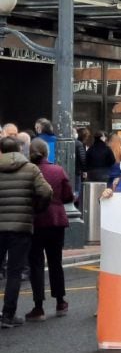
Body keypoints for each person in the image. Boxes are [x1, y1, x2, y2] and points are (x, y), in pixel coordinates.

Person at [0, 136, 53, 327]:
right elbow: (46, 192)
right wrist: (36, 208)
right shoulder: (30, 169)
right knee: (14, 272)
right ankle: (8, 315)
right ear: (20, 150)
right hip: (21, 226)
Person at [26, 139, 72, 321]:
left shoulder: (28, 171)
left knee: (35, 264)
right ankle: (60, 301)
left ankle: (38, 306)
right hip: (56, 219)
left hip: (35, 220)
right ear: (46, 153)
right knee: (55, 262)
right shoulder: (58, 170)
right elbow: (68, 195)